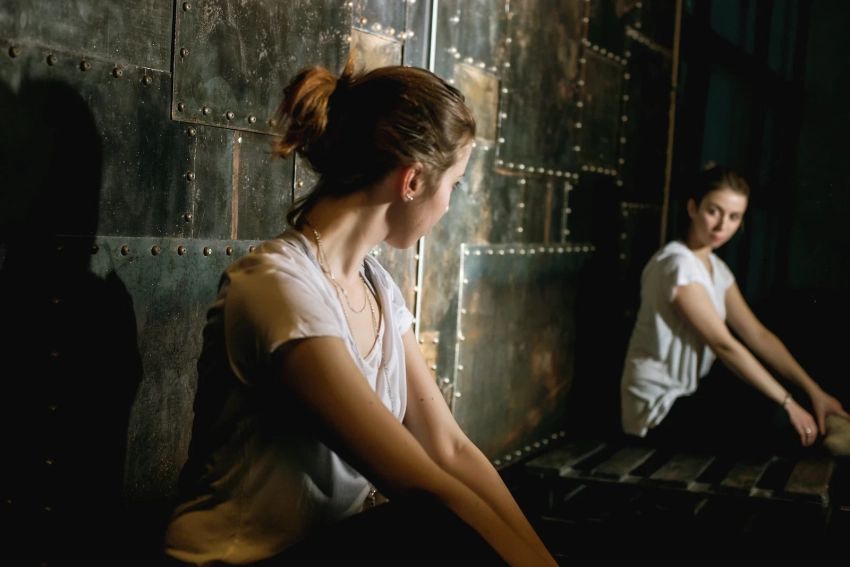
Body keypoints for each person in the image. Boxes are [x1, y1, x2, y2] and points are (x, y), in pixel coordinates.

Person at [162, 54, 557, 567]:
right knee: (429, 523)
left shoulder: (378, 289)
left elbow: (451, 450)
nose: (448, 205)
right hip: (233, 561)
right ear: (412, 181)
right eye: (454, 185)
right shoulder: (278, 289)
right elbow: (418, 482)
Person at [620, 165, 849, 453]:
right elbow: (723, 344)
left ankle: (830, 422)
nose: (722, 226)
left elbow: (757, 335)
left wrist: (815, 392)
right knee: (775, 414)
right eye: (713, 211)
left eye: (734, 216)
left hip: (691, 391)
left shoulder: (716, 268)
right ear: (692, 208)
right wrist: (788, 403)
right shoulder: (676, 265)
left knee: (778, 389)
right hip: (658, 406)